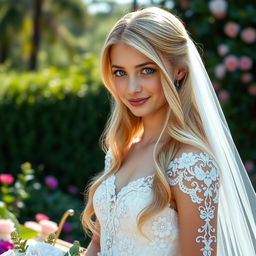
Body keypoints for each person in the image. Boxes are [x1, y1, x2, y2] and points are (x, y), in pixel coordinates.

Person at [82, 7, 256, 256]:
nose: (132, 88)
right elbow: (99, 246)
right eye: (120, 72)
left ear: (179, 70)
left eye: (147, 70)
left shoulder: (192, 164)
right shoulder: (121, 149)